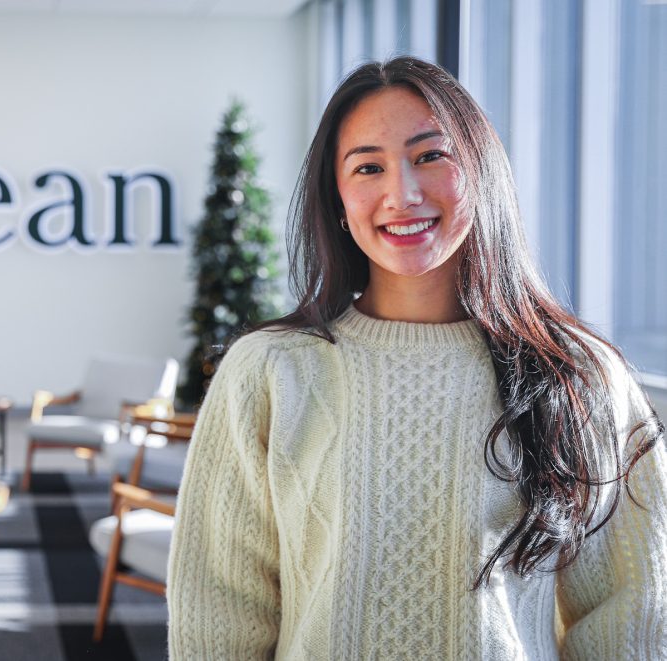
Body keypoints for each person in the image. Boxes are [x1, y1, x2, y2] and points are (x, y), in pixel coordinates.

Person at [167, 56, 666, 659]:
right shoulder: (270, 371)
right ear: (339, 202)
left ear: (481, 171)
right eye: (368, 167)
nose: (400, 194)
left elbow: (636, 611)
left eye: (430, 156)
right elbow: (218, 613)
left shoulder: (577, 374)